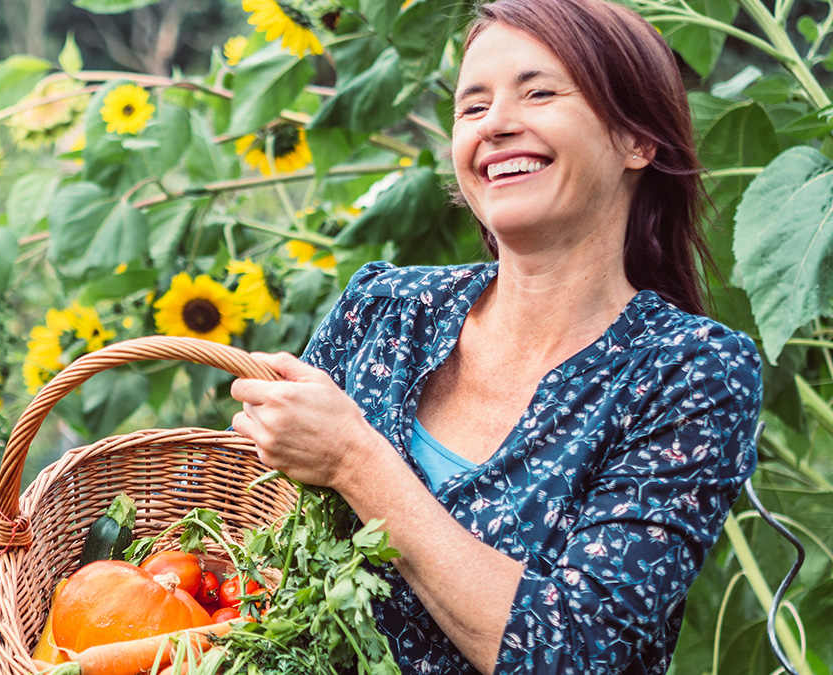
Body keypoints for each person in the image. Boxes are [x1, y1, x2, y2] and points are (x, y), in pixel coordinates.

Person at [228, 0, 763, 673]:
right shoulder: (384, 309)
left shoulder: (689, 371)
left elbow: (574, 652)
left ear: (637, 139)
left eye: (539, 93)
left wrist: (354, 461)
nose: (497, 125)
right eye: (472, 107)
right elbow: (245, 547)